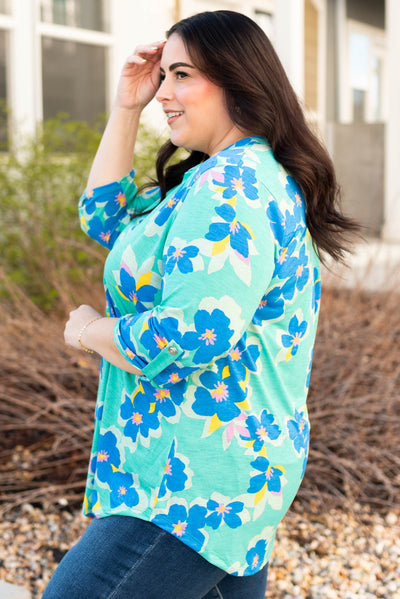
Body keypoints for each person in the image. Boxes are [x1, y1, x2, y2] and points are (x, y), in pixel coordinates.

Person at [43, 10, 358, 599]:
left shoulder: (231, 187)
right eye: (164, 75)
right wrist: (125, 107)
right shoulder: (219, 176)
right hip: (225, 467)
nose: (165, 92)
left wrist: (90, 331)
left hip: (194, 480)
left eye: (181, 75)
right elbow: (104, 215)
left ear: (237, 79)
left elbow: (191, 334)